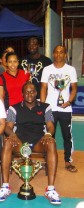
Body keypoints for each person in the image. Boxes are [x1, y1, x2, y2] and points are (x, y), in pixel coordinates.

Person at [0, 82, 61, 205]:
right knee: (8, 142)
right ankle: (5, 186)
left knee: (51, 143)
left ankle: (50, 189)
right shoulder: (13, 108)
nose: (29, 94)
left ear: (36, 93)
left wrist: (48, 134)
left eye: (32, 91)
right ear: (22, 94)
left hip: (38, 141)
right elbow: (8, 127)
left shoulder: (45, 107)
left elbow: (51, 126)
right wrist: (12, 135)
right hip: (19, 141)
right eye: (26, 92)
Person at [40, 45, 78, 173]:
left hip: (65, 109)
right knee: (49, 135)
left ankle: (68, 161)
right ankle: (49, 160)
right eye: (56, 52)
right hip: (50, 108)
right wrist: (43, 106)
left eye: (61, 52)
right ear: (53, 54)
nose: (58, 54)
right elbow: (43, 88)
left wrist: (69, 101)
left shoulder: (71, 69)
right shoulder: (46, 69)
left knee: (67, 136)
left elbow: (74, 88)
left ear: (65, 55)